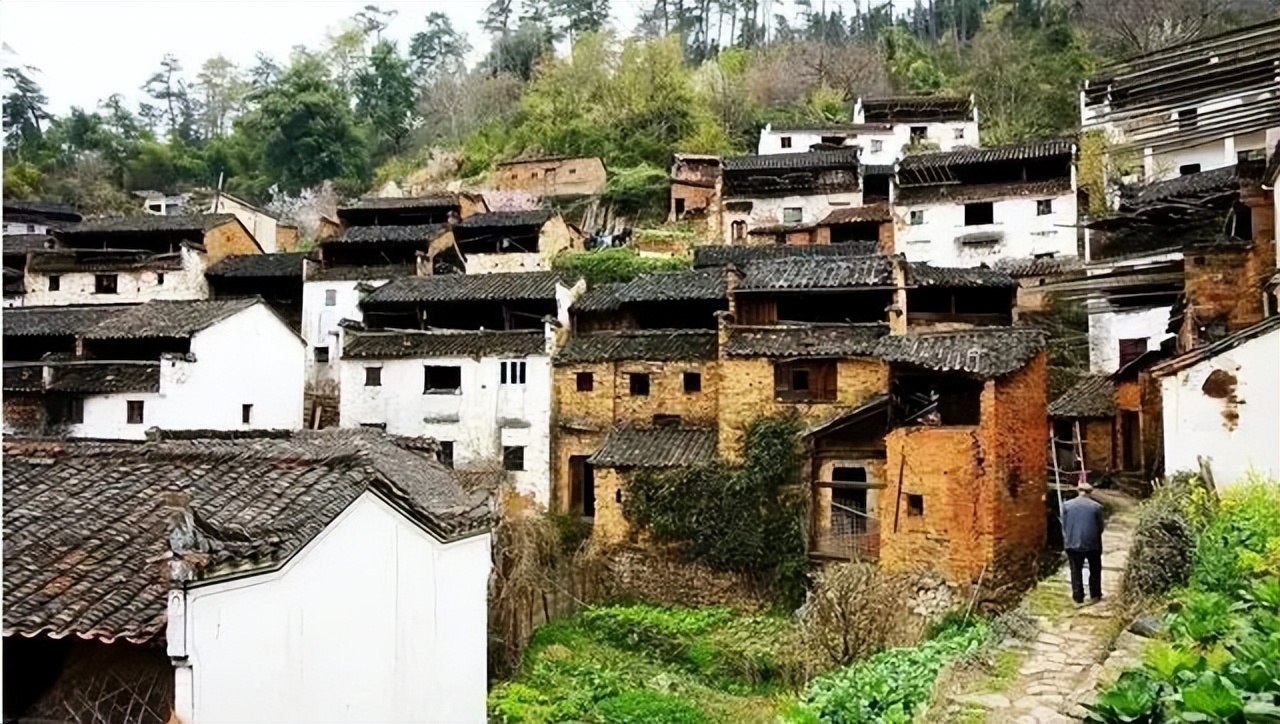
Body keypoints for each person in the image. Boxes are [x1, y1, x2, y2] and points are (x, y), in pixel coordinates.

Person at [1061, 481, 1105, 605]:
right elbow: (1100, 527)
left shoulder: (1067, 506)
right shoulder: (1096, 507)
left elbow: (1064, 524)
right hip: (1092, 543)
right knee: (1095, 569)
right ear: (1090, 493)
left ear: (1078, 491)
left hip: (1073, 543)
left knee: (1075, 570)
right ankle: (1095, 593)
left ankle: (1078, 596)